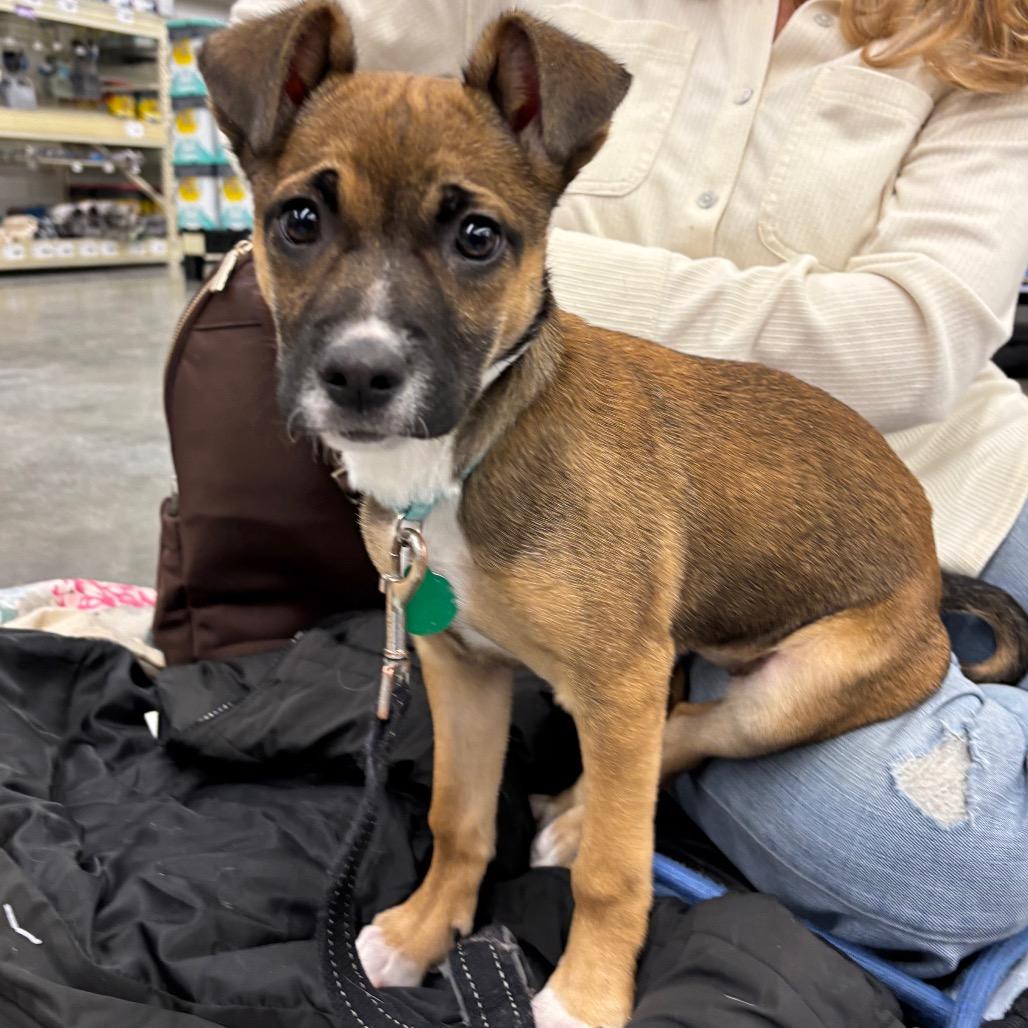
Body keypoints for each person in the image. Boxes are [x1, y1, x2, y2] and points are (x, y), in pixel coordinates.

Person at [230, 0, 1028, 978]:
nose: (368, 341)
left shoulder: (991, 29)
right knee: (957, 857)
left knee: (643, 680)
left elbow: (915, 333)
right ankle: (741, 724)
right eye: (304, 223)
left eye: (474, 239)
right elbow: (277, 24)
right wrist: (453, 867)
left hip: (940, 485)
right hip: (653, 512)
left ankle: (739, 728)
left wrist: (602, 932)